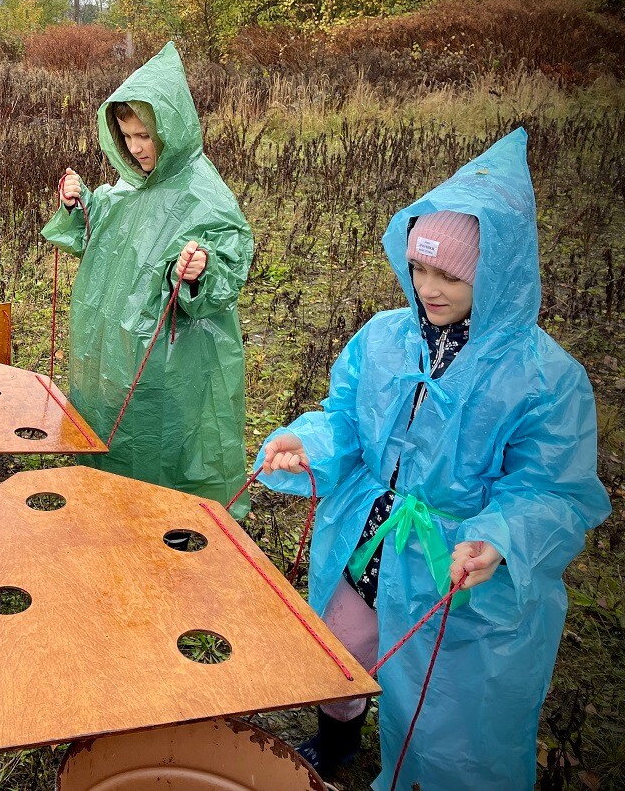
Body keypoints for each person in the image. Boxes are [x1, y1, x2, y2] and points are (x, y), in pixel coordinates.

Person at [256, 129, 610, 789]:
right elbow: (343, 422)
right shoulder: (383, 339)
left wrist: (499, 538)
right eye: (419, 269)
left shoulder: (544, 379)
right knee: (341, 647)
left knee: (445, 712)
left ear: (496, 275)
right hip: (367, 539)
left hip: (452, 563)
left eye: (450, 275)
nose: (428, 289)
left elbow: (552, 490)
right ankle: (336, 744)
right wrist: (310, 445)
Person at [43, 41, 254, 516]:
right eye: (126, 135)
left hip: (173, 363)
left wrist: (200, 272)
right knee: (113, 430)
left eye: (143, 135)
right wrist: (81, 206)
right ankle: (111, 501)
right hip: (114, 357)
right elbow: (107, 230)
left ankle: (172, 523)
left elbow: (227, 259)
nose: (135, 148)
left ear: (170, 129)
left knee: (166, 446)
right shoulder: (133, 182)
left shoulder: (204, 194)